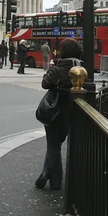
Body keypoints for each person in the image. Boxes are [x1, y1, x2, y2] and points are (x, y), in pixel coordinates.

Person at [35, 38, 83, 191]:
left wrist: (50, 71)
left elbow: (45, 84)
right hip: (75, 110)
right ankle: (45, 172)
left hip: (55, 110)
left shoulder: (57, 68)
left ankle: (55, 181)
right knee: (57, 145)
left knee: (53, 145)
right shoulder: (82, 67)